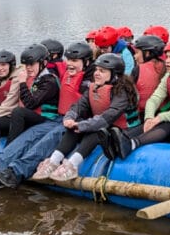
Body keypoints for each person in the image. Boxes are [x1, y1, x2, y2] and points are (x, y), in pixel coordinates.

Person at [0, 42, 95, 187]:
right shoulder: (68, 74)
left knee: (46, 141)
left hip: (77, 123)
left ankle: (15, 172)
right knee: (28, 137)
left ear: (87, 62)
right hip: (58, 118)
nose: (69, 63)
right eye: (68, 59)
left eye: (74, 60)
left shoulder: (92, 81)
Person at [32, 53, 139, 181]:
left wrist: (83, 126)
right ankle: (53, 161)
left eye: (102, 71)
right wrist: (69, 118)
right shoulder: (94, 87)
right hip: (104, 126)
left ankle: (72, 165)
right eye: (96, 70)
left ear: (115, 75)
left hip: (125, 130)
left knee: (96, 131)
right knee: (75, 125)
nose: (96, 73)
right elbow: (78, 106)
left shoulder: (122, 92)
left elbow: (108, 117)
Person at [102, 39, 170, 159]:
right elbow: (154, 99)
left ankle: (132, 144)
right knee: (148, 125)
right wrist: (149, 118)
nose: (167, 61)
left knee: (165, 125)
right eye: (167, 57)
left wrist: (160, 117)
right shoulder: (169, 76)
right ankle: (115, 142)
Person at [0, 43, 59, 164]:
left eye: (31, 64)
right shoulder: (33, 77)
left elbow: (30, 104)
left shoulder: (49, 81)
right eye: (26, 65)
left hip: (46, 118)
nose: (28, 68)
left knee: (18, 112)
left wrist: (22, 83)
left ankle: (8, 150)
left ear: (43, 63)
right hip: (29, 116)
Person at [130, 34, 166, 117]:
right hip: (164, 111)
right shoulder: (167, 66)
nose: (134, 57)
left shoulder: (137, 70)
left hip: (144, 114)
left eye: (137, 53)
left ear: (147, 53)